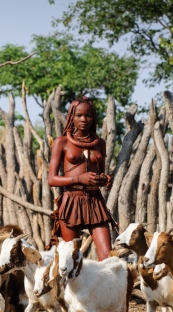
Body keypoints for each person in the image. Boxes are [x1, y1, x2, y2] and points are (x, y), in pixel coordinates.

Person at [48, 96, 119, 261]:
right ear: (71, 116)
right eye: (79, 115)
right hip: (72, 202)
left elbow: (99, 174)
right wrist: (78, 179)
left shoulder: (99, 143)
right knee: (70, 258)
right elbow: (52, 179)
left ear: (93, 118)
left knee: (107, 256)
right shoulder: (62, 142)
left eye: (88, 116)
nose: (84, 119)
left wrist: (105, 179)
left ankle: (106, 287)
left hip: (95, 203)